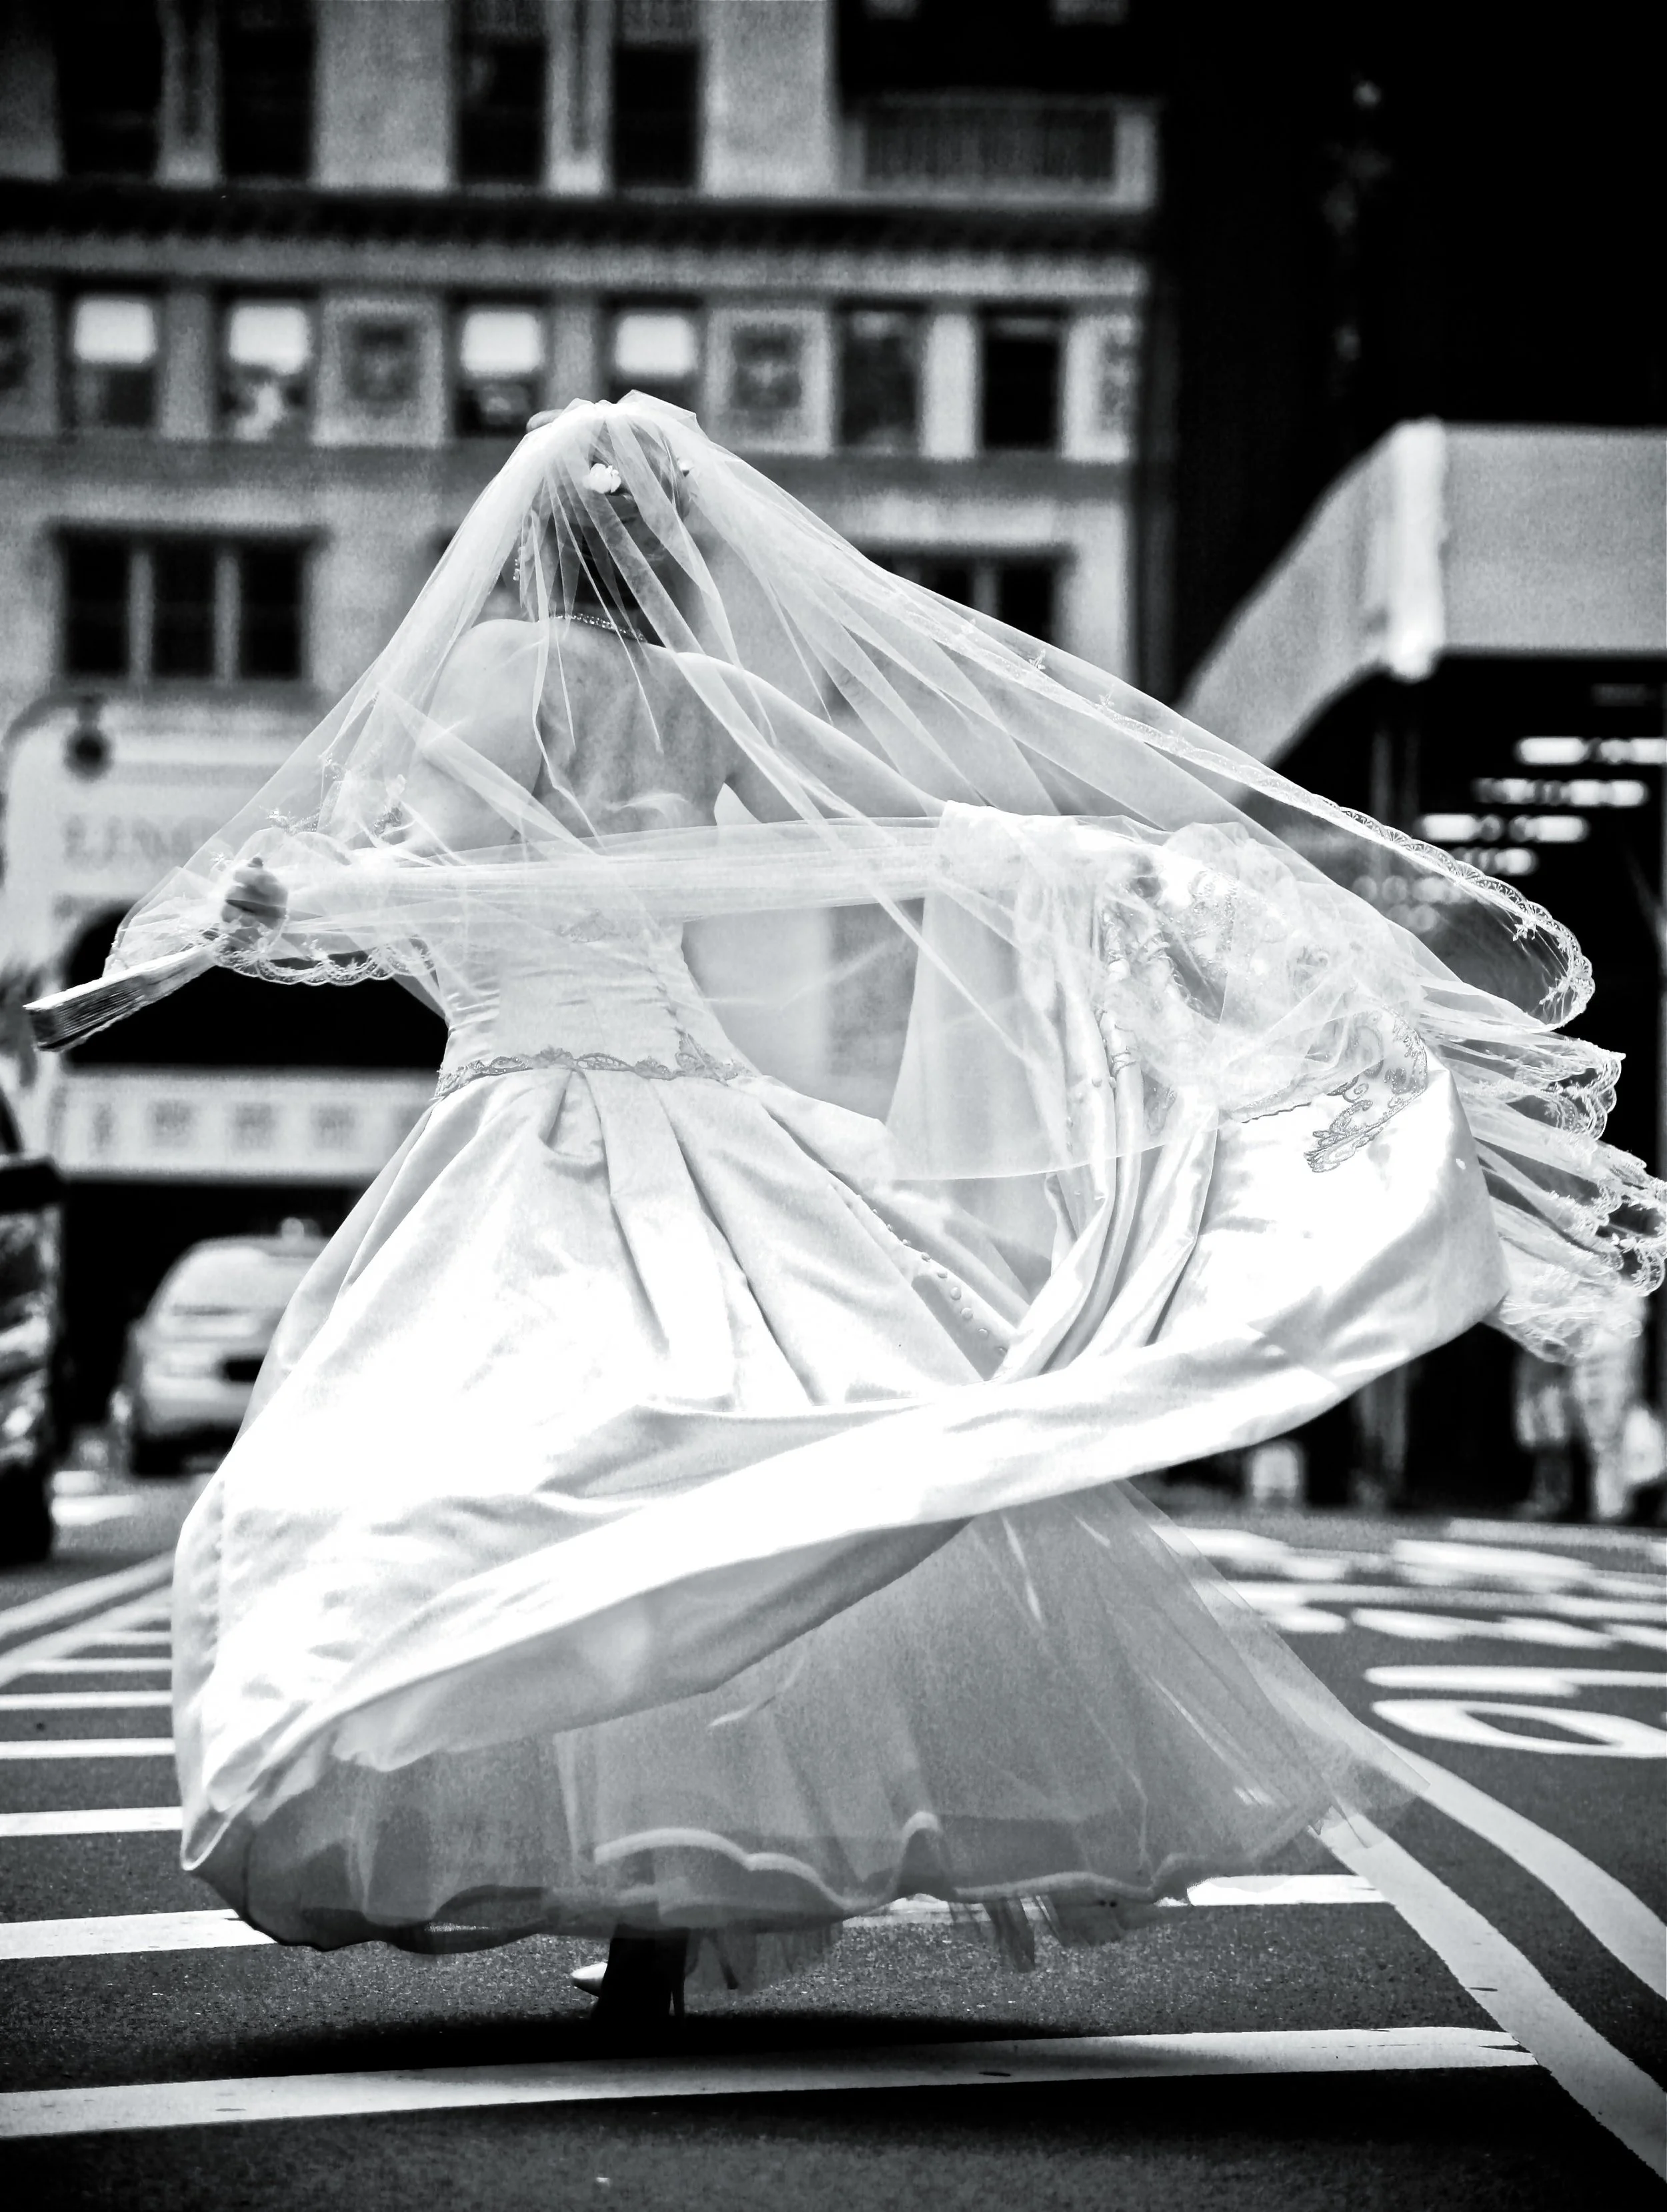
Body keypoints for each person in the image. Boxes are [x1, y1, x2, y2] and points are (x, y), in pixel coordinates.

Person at [35, 395, 1663, 2031]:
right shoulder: (709, 702)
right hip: (697, 1117)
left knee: (492, 1472)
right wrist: (1094, 873)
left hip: (527, 1124)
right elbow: (862, 844)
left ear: (520, 543)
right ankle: (667, 1894)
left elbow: (461, 878)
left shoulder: (490, 676)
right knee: (762, 1458)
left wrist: (281, 907)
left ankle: (605, 1865)